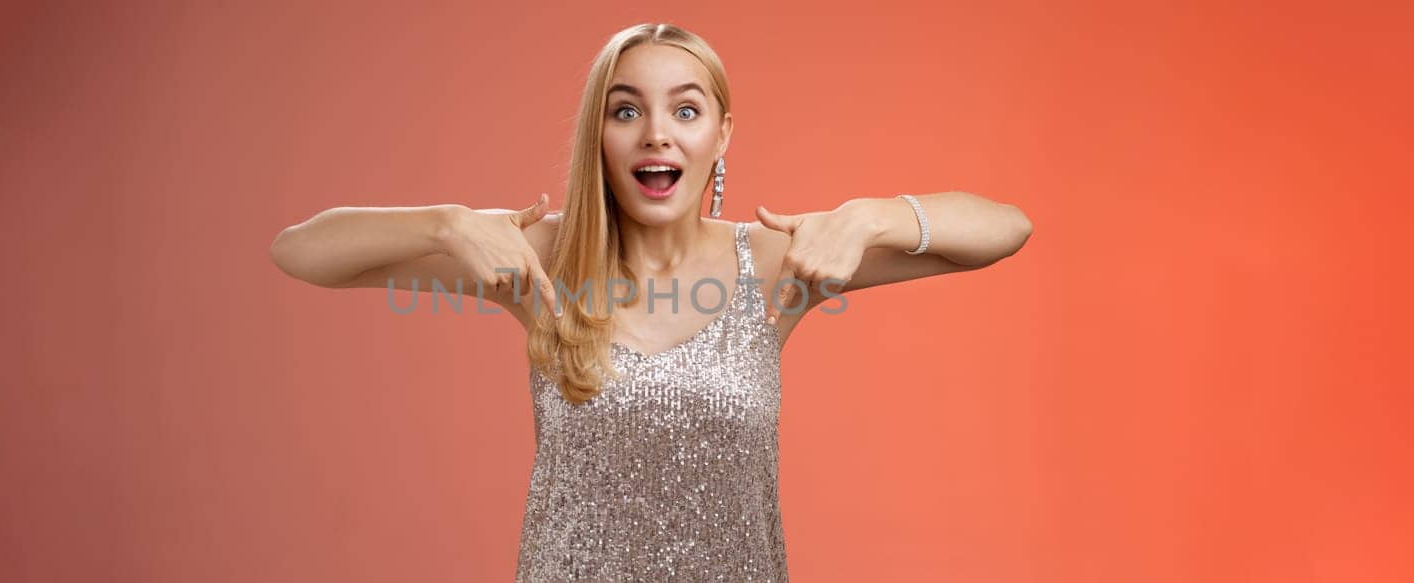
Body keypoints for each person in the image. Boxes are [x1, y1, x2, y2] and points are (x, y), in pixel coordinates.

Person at [269, 22, 1032, 583]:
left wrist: (871, 217)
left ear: (721, 134)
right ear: (598, 134)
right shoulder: (540, 260)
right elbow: (300, 249)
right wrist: (447, 223)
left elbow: (1005, 227)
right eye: (627, 110)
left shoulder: (773, 264)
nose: (656, 134)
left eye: (687, 111)